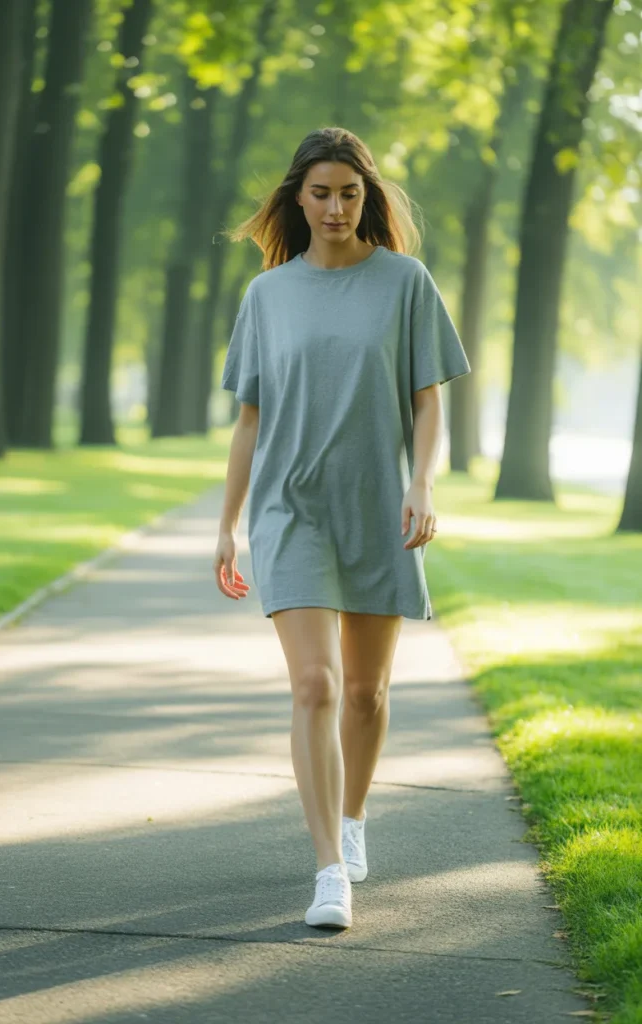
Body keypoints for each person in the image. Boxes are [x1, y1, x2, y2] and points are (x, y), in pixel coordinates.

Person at [213, 126, 471, 931]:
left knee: (365, 691)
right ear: (296, 197)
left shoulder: (404, 282)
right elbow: (249, 419)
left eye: (349, 194)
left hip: (374, 507)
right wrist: (227, 527)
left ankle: (352, 818)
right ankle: (329, 869)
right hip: (289, 510)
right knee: (315, 686)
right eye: (320, 193)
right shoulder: (267, 295)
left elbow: (429, 397)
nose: (333, 207)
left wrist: (422, 481)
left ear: (369, 198)